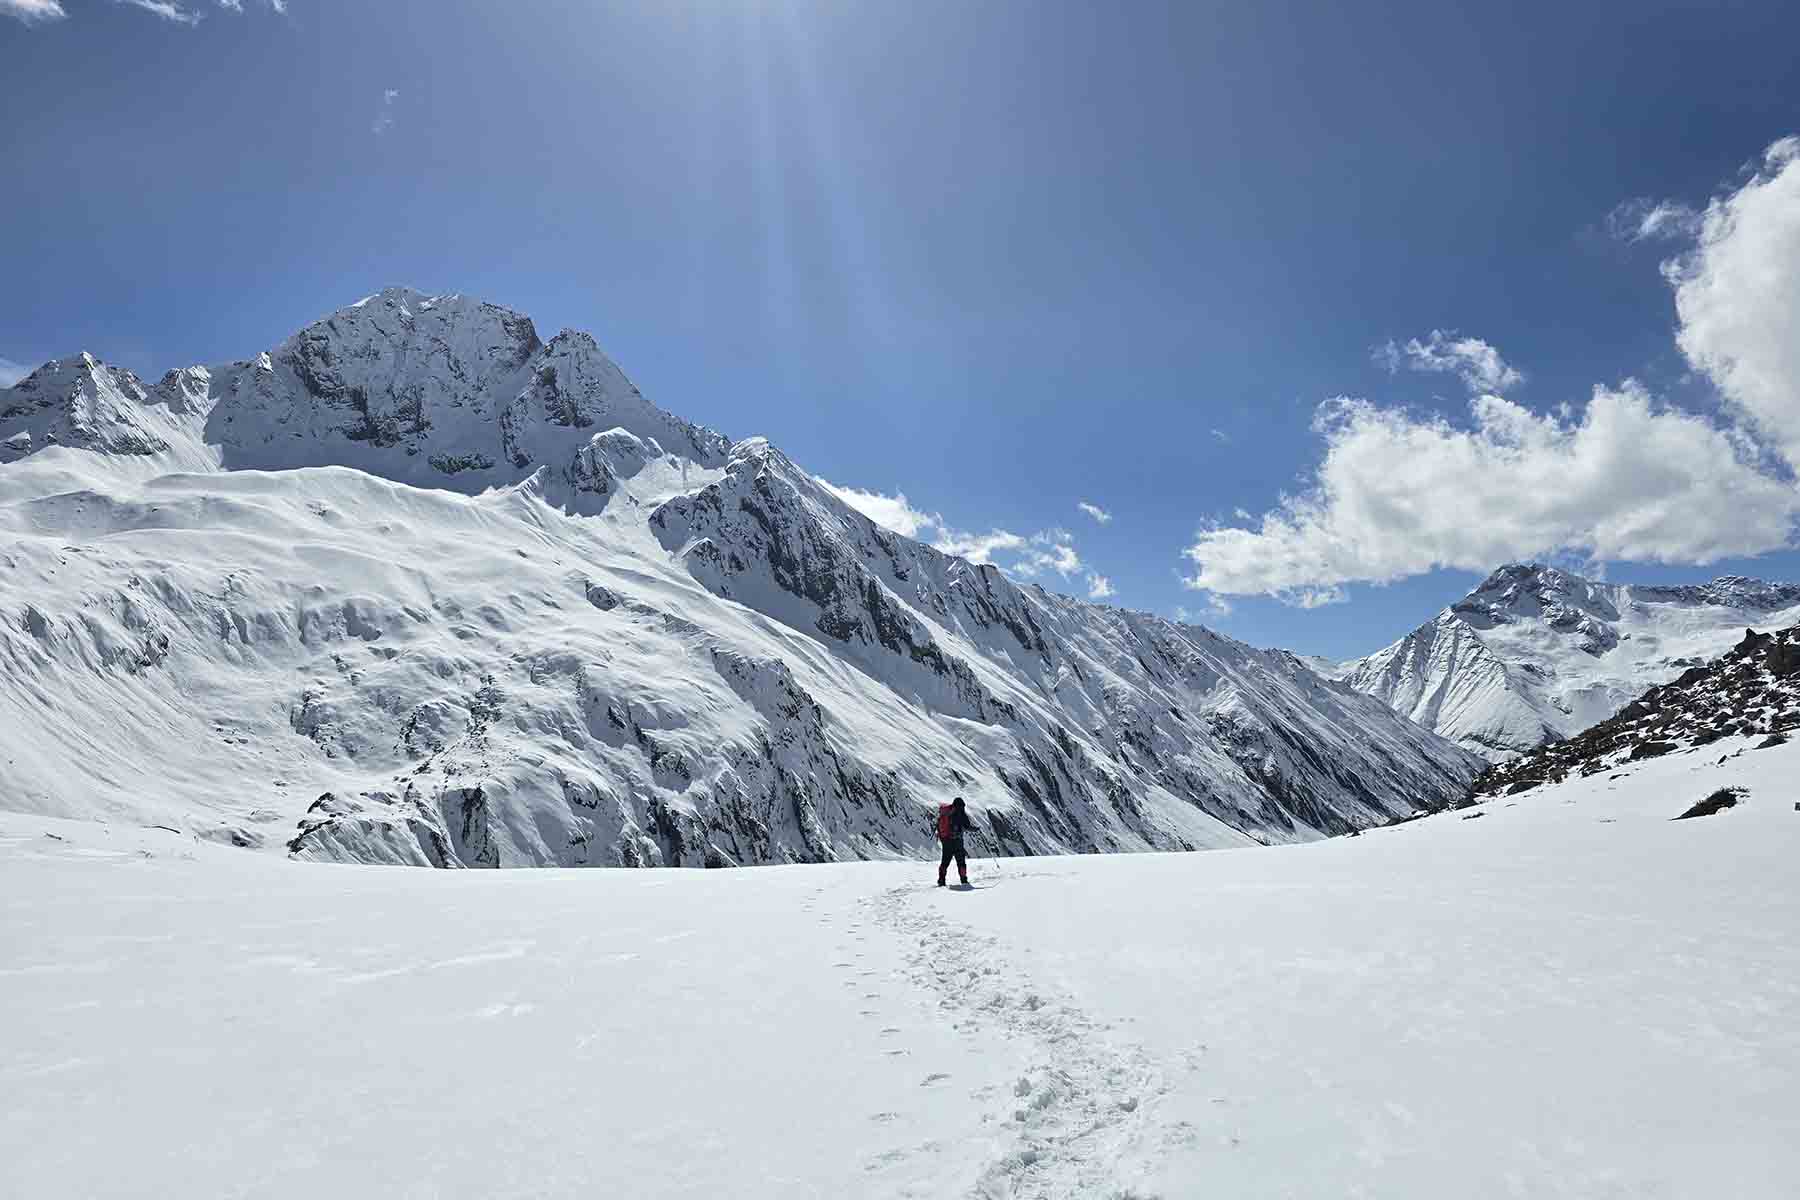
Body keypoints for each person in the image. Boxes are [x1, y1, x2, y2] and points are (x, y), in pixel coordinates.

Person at [935, 796, 978, 887]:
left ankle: (941, 880)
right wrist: (975, 829)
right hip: (957, 842)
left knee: (945, 862)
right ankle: (963, 880)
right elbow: (967, 826)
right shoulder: (961, 814)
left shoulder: (948, 813)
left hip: (946, 842)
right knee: (961, 862)